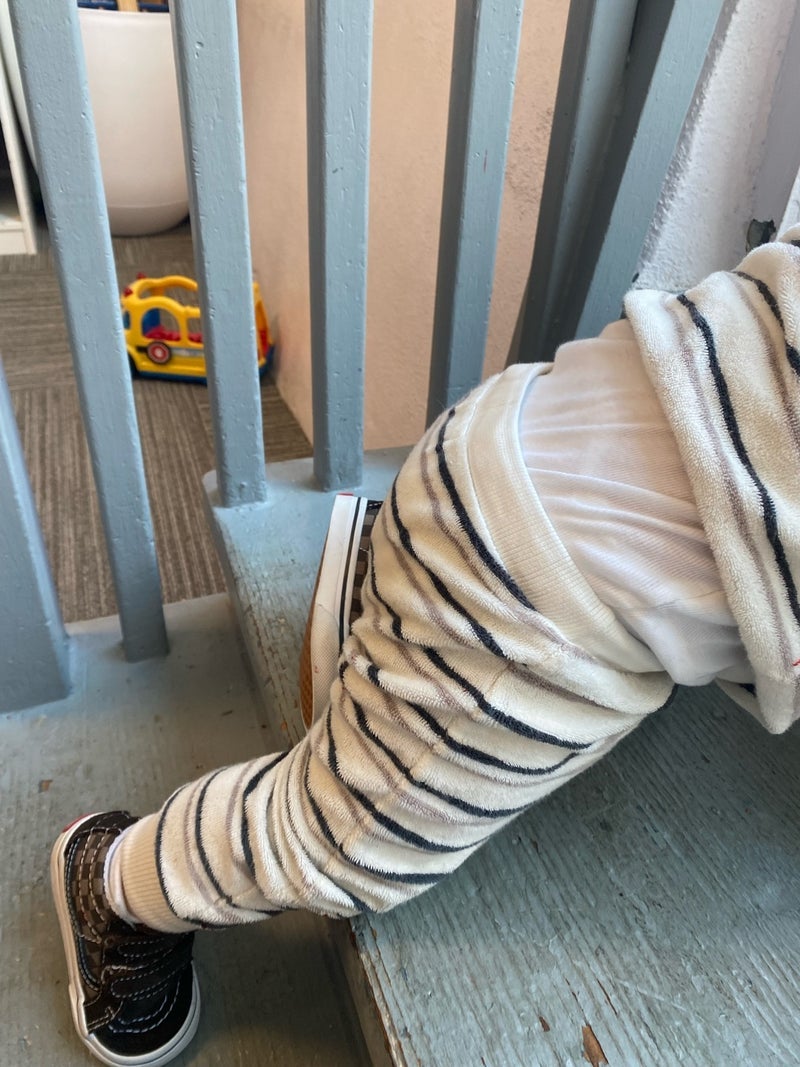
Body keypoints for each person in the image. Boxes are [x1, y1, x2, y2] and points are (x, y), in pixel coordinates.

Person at [50, 227, 800, 1066]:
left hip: (516, 428)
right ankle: (114, 885)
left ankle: (396, 592)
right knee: (337, 842)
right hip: (531, 605)